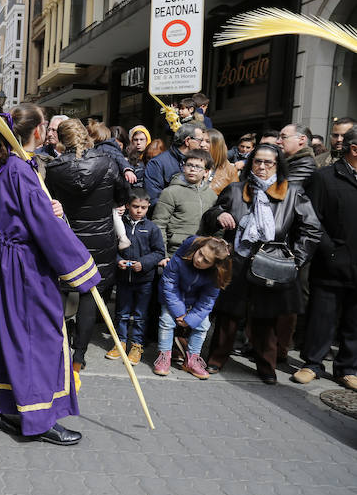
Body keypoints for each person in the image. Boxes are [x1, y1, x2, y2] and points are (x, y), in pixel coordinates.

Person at [0, 103, 99, 446]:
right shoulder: (19, 169)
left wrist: (50, 208)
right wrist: (83, 268)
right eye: (45, 125)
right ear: (37, 131)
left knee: (6, 333)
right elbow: (43, 226)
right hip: (24, 266)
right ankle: (40, 417)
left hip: (7, 260)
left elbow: (30, 212)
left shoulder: (14, 166)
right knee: (38, 337)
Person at [203, 144, 322, 383]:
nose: (262, 166)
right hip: (237, 260)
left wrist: (295, 259)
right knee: (228, 315)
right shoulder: (236, 189)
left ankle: (266, 365)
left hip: (271, 263)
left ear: (278, 165)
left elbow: (311, 228)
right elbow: (210, 216)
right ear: (251, 163)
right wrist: (218, 215)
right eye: (258, 161)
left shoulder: (291, 192)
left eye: (269, 162)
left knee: (266, 318)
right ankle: (216, 359)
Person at [46, 118, 129, 371]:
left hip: (67, 237)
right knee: (90, 295)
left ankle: (55, 351)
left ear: (61, 140)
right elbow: (123, 195)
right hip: (100, 238)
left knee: (60, 292)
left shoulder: (55, 168)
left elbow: (48, 199)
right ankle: (79, 356)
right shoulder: (108, 163)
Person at [296, 125, 357, 390]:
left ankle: (348, 368)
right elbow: (312, 220)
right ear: (354, 149)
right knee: (322, 316)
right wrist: (330, 251)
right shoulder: (325, 177)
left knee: (355, 321)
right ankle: (312, 364)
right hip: (331, 260)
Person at [153, 236, 231, 379]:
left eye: (206, 260)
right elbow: (169, 284)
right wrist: (179, 313)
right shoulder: (181, 256)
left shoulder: (215, 275)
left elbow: (208, 300)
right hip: (172, 297)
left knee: (203, 324)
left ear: (214, 265)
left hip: (194, 301)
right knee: (167, 320)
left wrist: (191, 319)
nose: (199, 259)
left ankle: (192, 359)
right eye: (200, 253)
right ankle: (164, 356)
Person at [109, 188, 165, 365]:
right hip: (124, 278)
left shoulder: (152, 228)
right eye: (135, 206)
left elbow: (159, 252)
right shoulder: (118, 224)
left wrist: (145, 263)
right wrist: (118, 260)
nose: (139, 210)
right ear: (127, 205)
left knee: (141, 315)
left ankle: (137, 345)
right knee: (121, 313)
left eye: (143, 207)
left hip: (144, 280)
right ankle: (120, 343)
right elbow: (110, 247)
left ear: (148, 207)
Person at [151, 149, 217, 257]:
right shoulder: (170, 192)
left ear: (206, 172)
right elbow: (159, 224)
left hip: (202, 253)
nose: (192, 169)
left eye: (198, 167)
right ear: (183, 167)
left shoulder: (212, 196)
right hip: (176, 251)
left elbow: (216, 228)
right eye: (189, 165)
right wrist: (162, 254)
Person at [144, 122, 208, 202]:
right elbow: (153, 198)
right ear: (187, 141)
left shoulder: (201, 162)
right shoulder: (157, 163)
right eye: (200, 140)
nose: (202, 144)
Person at [206, 129, 238, 195]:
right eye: (201, 140)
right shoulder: (191, 163)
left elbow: (234, 197)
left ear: (217, 146)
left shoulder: (230, 170)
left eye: (207, 141)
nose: (202, 144)